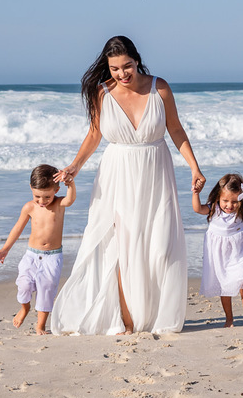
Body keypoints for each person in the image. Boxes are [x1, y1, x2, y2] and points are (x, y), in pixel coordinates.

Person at [49, 35, 205, 335]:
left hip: (156, 170)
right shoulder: (102, 93)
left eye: (127, 66)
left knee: (158, 244)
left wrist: (194, 167)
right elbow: (94, 135)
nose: (121, 74)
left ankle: (152, 312)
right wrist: (74, 167)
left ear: (137, 60)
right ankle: (124, 319)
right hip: (117, 173)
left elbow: (175, 130)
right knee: (120, 245)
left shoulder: (160, 88)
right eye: (114, 68)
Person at [0, 164, 77, 335]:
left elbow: (71, 199)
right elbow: (17, 228)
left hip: (52, 257)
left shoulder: (59, 204)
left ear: (56, 190)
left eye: (47, 196)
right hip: (31, 255)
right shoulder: (29, 207)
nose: (42, 201)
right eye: (37, 196)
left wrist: (71, 183)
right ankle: (24, 308)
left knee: (46, 289)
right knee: (24, 284)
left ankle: (40, 326)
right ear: (31, 189)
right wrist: (5, 249)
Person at [191, 172, 243, 327]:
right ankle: (229, 318)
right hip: (219, 252)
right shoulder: (213, 209)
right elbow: (197, 209)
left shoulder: (241, 208)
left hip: (240, 247)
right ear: (218, 196)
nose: (230, 206)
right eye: (225, 201)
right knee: (225, 285)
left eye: (234, 202)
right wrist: (196, 194)